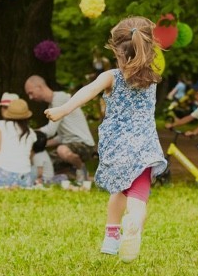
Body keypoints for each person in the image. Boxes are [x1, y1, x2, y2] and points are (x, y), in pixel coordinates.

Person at [45, 16, 168, 263]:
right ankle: (133, 224)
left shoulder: (112, 76)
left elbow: (87, 92)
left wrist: (63, 110)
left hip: (119, 148)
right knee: (138, 198)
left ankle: (112, 237)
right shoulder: (153, 79)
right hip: (145, 148)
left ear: (118, 52)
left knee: (118, 192)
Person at [26, 74, 97, 181]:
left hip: (84, 145)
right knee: (47, 165)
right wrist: (40, 145)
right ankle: (77, 174)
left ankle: (81, 168)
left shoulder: (59, 99)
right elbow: (61, 137)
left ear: (39, 87)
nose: (30, 97)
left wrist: (27, 132)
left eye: (31, 93)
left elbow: (50, 131)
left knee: (62, 150)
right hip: (70, 144)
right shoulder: (52, 104)